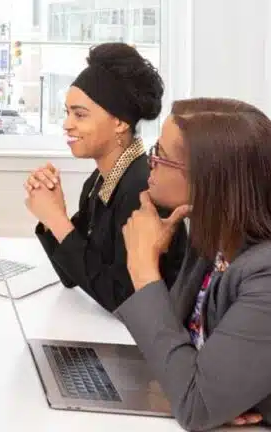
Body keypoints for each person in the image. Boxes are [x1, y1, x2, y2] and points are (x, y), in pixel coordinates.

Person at [118, 98, 271, 431]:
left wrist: (143, 269)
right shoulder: (213, 238)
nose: (149, 163)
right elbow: (176, 355)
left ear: (210, 180)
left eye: (161, 155)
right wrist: (209, 393)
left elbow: (195, 404)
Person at [24, 43, 188, 312]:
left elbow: (123, 300)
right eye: (67, 113)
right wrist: (52, 215)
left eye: (80, 114)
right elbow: (73, 275)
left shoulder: (142, 187)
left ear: (120, 122)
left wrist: (56, 219)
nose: (67, 124)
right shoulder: (100, 181)